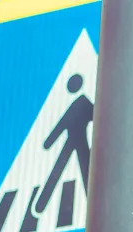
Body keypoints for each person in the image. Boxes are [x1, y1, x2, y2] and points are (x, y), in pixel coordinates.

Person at [35, 73, 93, 215]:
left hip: (78, 142)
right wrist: (48, 143)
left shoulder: (81, 103)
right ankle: (40, 205)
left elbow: (99, 117)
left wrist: (49, 143)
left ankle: (40, 205)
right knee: (70, 170)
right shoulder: (81, 103)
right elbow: (62, 124)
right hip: (74, 142)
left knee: (78, 171)